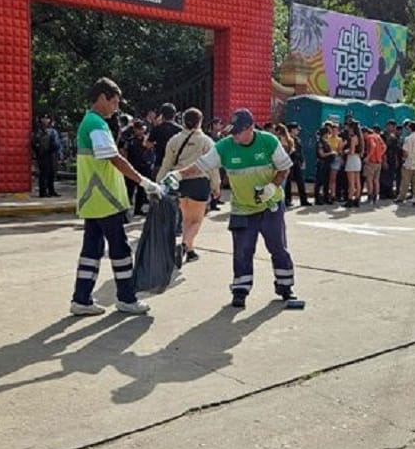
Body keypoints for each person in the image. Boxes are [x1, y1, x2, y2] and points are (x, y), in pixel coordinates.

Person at [163, 109, 298, 309]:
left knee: (278, 247)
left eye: (238, 131)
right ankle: (240, 290)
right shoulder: (225, 146)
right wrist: (179, 175)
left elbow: (284, 167)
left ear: (250, 128)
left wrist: (272, 187)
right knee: (242, 251)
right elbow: (201, 165)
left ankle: (285, 287)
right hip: (242, 208)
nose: (233, 135)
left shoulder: (269, 141)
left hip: (270, 205)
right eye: (232, 131)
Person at [70, 77, 163, 317]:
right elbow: (114, 159)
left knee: (92, 249)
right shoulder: (97, 124)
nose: (116, 107)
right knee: (120, 248)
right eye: (114, 102)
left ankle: (81, 298)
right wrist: (144, 182)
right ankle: (126, 298)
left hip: (92, 200)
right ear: (102, 98)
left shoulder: (88, 122)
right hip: (105, 198)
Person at [155, 107, 221, 262]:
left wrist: (158, 183)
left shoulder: (174, 140)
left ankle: (190, 251)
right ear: (200, 121)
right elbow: (212, 166)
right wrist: (215, 185)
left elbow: (166, 164)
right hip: (199, 182)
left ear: (183, 121)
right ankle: (184, 245)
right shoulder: (206, 141)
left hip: (179, 183)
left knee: (186, 219)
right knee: (197, 220)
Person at [396, 121, 415, 206]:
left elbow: (405, 152)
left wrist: (403, 159)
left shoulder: (408, 139)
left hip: (409, 163)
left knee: (405, 182)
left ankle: (401, 197)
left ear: (410, 128)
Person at [32, 112, 61, 197]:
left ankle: (51, 190)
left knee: (52, 173)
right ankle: (43, 192)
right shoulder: (39, 130)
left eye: (47, 118)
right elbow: (35, 142)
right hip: (43, 154)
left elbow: (57, 142)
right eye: (44, 118)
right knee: (44, 173)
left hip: (52, 153)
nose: (46, 120)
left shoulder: (52, 130)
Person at [284, 122, 310, 207]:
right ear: (291, 129)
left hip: (297, 162)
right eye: (296, 129)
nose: (298, 131)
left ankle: (304, 200)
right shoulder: (286, 139)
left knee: (301, 181)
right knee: (288, 182)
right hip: (289, 162)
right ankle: (287, 200)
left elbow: (300, 152)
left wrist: (302, 161)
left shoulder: (297, 140)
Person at [362, 125, 386, 205]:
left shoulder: (369, 137)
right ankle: (376, 196)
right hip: (378, 162)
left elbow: (373, 146)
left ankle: (370, 196)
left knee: (369, 180)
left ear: (365, 133)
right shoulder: (378, 136)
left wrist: (368, 157)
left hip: (371, 162)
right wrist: (379, 154)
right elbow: (384, 147)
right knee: (376, 180)